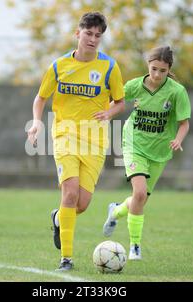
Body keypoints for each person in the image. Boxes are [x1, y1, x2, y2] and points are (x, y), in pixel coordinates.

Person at [27, 12, 125, 271]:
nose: (92, 39)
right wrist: (36, 121)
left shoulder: (110, 67)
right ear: (77, 33)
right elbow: (40, 98)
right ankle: (66, 259)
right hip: (64, 135)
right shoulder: (58, 66)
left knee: (80, 204)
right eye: (88, 33)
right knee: (69, 194)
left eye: (97, 35)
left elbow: (120, 101)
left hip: (95, 141)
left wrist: (109, 112)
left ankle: (58, 218)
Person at [102, 46, 191, 260]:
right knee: (140, 193)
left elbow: (184, 123)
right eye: (154, 69)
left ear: (169, 69)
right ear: (147, 66)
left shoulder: (177, 91)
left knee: (139, 200)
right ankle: (134, 247)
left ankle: (115, 211)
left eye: (162, 70)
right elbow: (116, 100)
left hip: (160, 151)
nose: (157, 74)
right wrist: (104, 112)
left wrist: (178, 140)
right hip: (134, 144)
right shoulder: (135, 85)